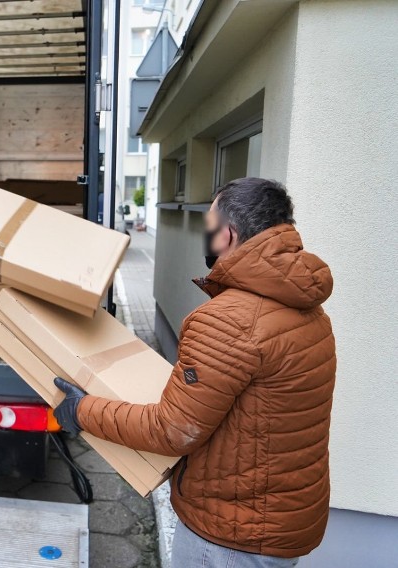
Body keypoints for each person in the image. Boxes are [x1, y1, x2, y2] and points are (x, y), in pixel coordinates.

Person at [54, 178, 336, 568]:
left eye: (208, 225)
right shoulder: (308, 309)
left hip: (231, 535)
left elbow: (172, 430)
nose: (205, 235)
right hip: (281, 517)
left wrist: (81, 411)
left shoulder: (230, 321)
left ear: (227, 235)